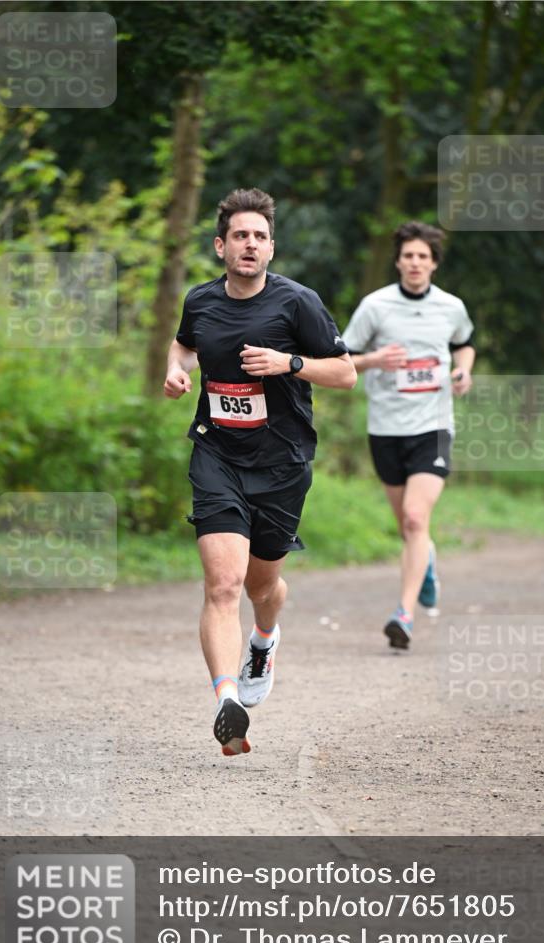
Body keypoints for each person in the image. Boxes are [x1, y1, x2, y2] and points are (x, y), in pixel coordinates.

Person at [164, 188, 356, 756]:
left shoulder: (298, 304)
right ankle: (227, 699)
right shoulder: (200, 302)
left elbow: (345, 374)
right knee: (222, 584)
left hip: (282, 463)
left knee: (261, 585)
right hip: (217, 453)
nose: (250, 244)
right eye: (240, 235)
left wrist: (289, 364)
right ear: (221, 245)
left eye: (261, 237)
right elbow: (182, 348)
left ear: (272, 249)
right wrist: (177, 373)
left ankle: (264, 640)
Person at [342, 221, 475, 650]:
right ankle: (427, 563)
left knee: (417, 517)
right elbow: (341, 359)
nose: (415, 263)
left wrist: (463, 370)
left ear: (434, 264)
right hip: (385, 428)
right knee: (408, 526)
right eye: (408, 255)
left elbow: (465, 342)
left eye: (423, 256)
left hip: (433, 426)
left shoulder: (450, 307)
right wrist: (376, 359)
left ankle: (404, 614)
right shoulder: (375, 307)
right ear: (398, 261)